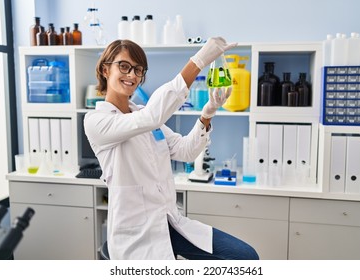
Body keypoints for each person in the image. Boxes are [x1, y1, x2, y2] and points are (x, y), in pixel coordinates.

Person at [84, 37, 259, 260]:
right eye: (124, 66)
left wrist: (207, 114)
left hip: (169, 222)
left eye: (138, 70)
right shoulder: (97, 121)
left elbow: (185, 151)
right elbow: (152, 117)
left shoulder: (142, 113)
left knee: (246, 257)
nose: (132, 75)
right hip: (136, 234)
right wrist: (198, 61)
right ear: (105, 69)